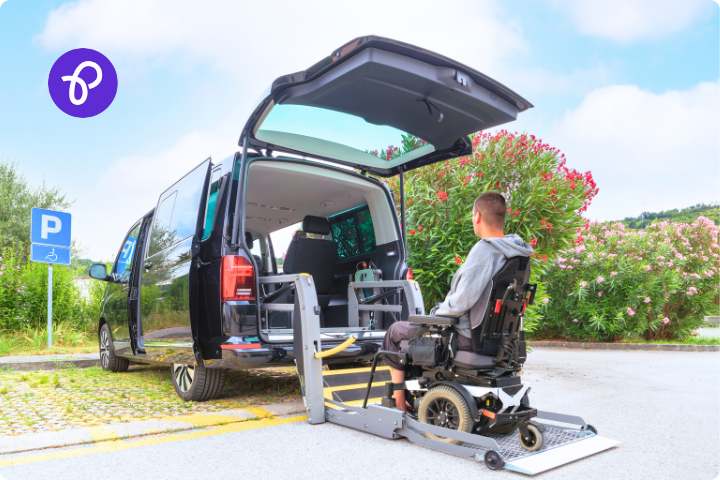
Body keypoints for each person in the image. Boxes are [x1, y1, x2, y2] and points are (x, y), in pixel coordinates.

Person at [381, 191, 533, 412]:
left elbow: (462, 301)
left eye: (473, 216)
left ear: (477, 216)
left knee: (395, 332)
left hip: (465, 337)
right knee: (413, 330)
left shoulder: (486, 250)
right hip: (497, 340)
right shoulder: (517, 254)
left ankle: (399, 402)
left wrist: (434, 317)